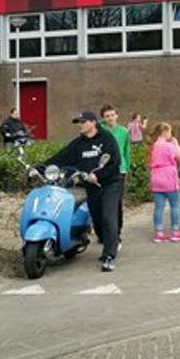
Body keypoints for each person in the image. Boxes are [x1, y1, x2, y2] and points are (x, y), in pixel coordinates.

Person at [41, 110, 123, 271]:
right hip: (91, 187)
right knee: (98, 220)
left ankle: (109, 256)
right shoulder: (78, 144)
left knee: (108, 217)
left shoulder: (106, 139)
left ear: (93, 122)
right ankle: (108, 241)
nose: (80, 125)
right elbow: (60, 158)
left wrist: (98, 174)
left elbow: (114, 162)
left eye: (83, 122)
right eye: (78, 122)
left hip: (110, 184)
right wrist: (39, 167)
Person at [100, 105, 131, 241]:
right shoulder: (100, 130)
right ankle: (103, 232)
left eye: (112, 115)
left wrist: (127, 167)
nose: (110, 118)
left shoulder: (124, 131)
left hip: (119, 169)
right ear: (103, 118)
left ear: (117, 116)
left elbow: (126, 151)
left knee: (116, 203)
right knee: (102, 202)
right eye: (107, 116)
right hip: (103, 169)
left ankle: (116, 232)